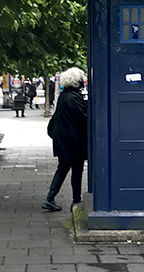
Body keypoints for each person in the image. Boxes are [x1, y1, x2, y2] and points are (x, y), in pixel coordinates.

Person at [42, 67, 87, 212]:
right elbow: (82, 118)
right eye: (81, 79)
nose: (83, 82)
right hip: (73, 140)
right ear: (75, 81)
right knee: (76, 170)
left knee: (62, 169)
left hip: (63, 139)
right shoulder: (73, 97)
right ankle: (76, 200)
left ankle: (50, 198)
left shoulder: (65, 95)